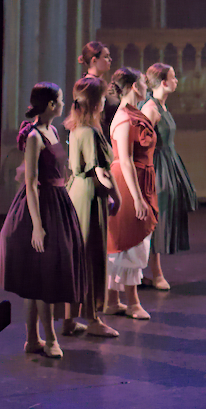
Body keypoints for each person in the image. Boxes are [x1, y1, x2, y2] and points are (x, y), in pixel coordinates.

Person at [0, 83, 87, 358]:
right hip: (40, 206)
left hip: (57, 202)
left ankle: (33, 339)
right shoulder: (35, 136)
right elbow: (31, 182)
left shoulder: (53, 131)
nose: (63, 104)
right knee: (42, 276)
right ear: (50, 104)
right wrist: (37, 225)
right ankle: (48, 339)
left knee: (39, 276)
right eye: (60, 100)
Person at [63, 76, 121, 338]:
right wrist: (116, 196)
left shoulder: (76, 129)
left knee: (78, 256)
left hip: (76, 191)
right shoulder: (91, 132)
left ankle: (68, 319)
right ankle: (93, 318)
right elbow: (101, 172)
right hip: (89, 196)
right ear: (97, 102)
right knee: (91, 256)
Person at [105, 68, 158, 321]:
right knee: (130, 239)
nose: (146, 87)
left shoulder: (134, 114)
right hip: (128, 181)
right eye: (143, 83)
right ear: (135, 86)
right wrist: (137, 197)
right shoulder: (124, 117)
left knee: (130, 239)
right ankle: (132, 302)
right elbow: (125, 160)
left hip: (140, 177)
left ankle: (112, 301)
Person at [141, 63, 198, 290]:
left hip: (169, 160)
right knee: (157, 216)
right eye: (173, 78)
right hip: (157, 164)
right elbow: (142, 143)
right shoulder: (150, 109)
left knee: (165, 214)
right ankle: (155, 272)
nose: (176, 81)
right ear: (163, 83)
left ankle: (151, 271)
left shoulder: (162, 106)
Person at [79, 40, 119, 130]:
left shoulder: (101, 83)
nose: (110, 60)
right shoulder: (87, 86)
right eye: (106, 57)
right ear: (94, 60)